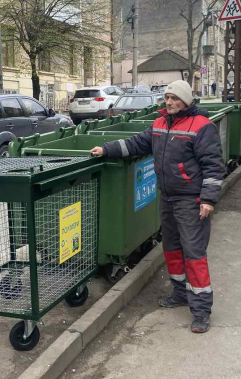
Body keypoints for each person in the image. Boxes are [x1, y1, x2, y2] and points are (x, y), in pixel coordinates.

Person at [90, 80, 226, 333]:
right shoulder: (160, 123)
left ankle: (201, 311)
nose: (170, 102)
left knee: (194, 253)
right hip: (167, 197)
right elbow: (136, 144)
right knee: (172, 248)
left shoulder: (202, 126)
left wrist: (208, 199)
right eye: (167, 98)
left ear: (186, 100)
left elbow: (214, 166)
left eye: (175, 98)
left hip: (191, 199)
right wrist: (105, 150)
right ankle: (180, 293)